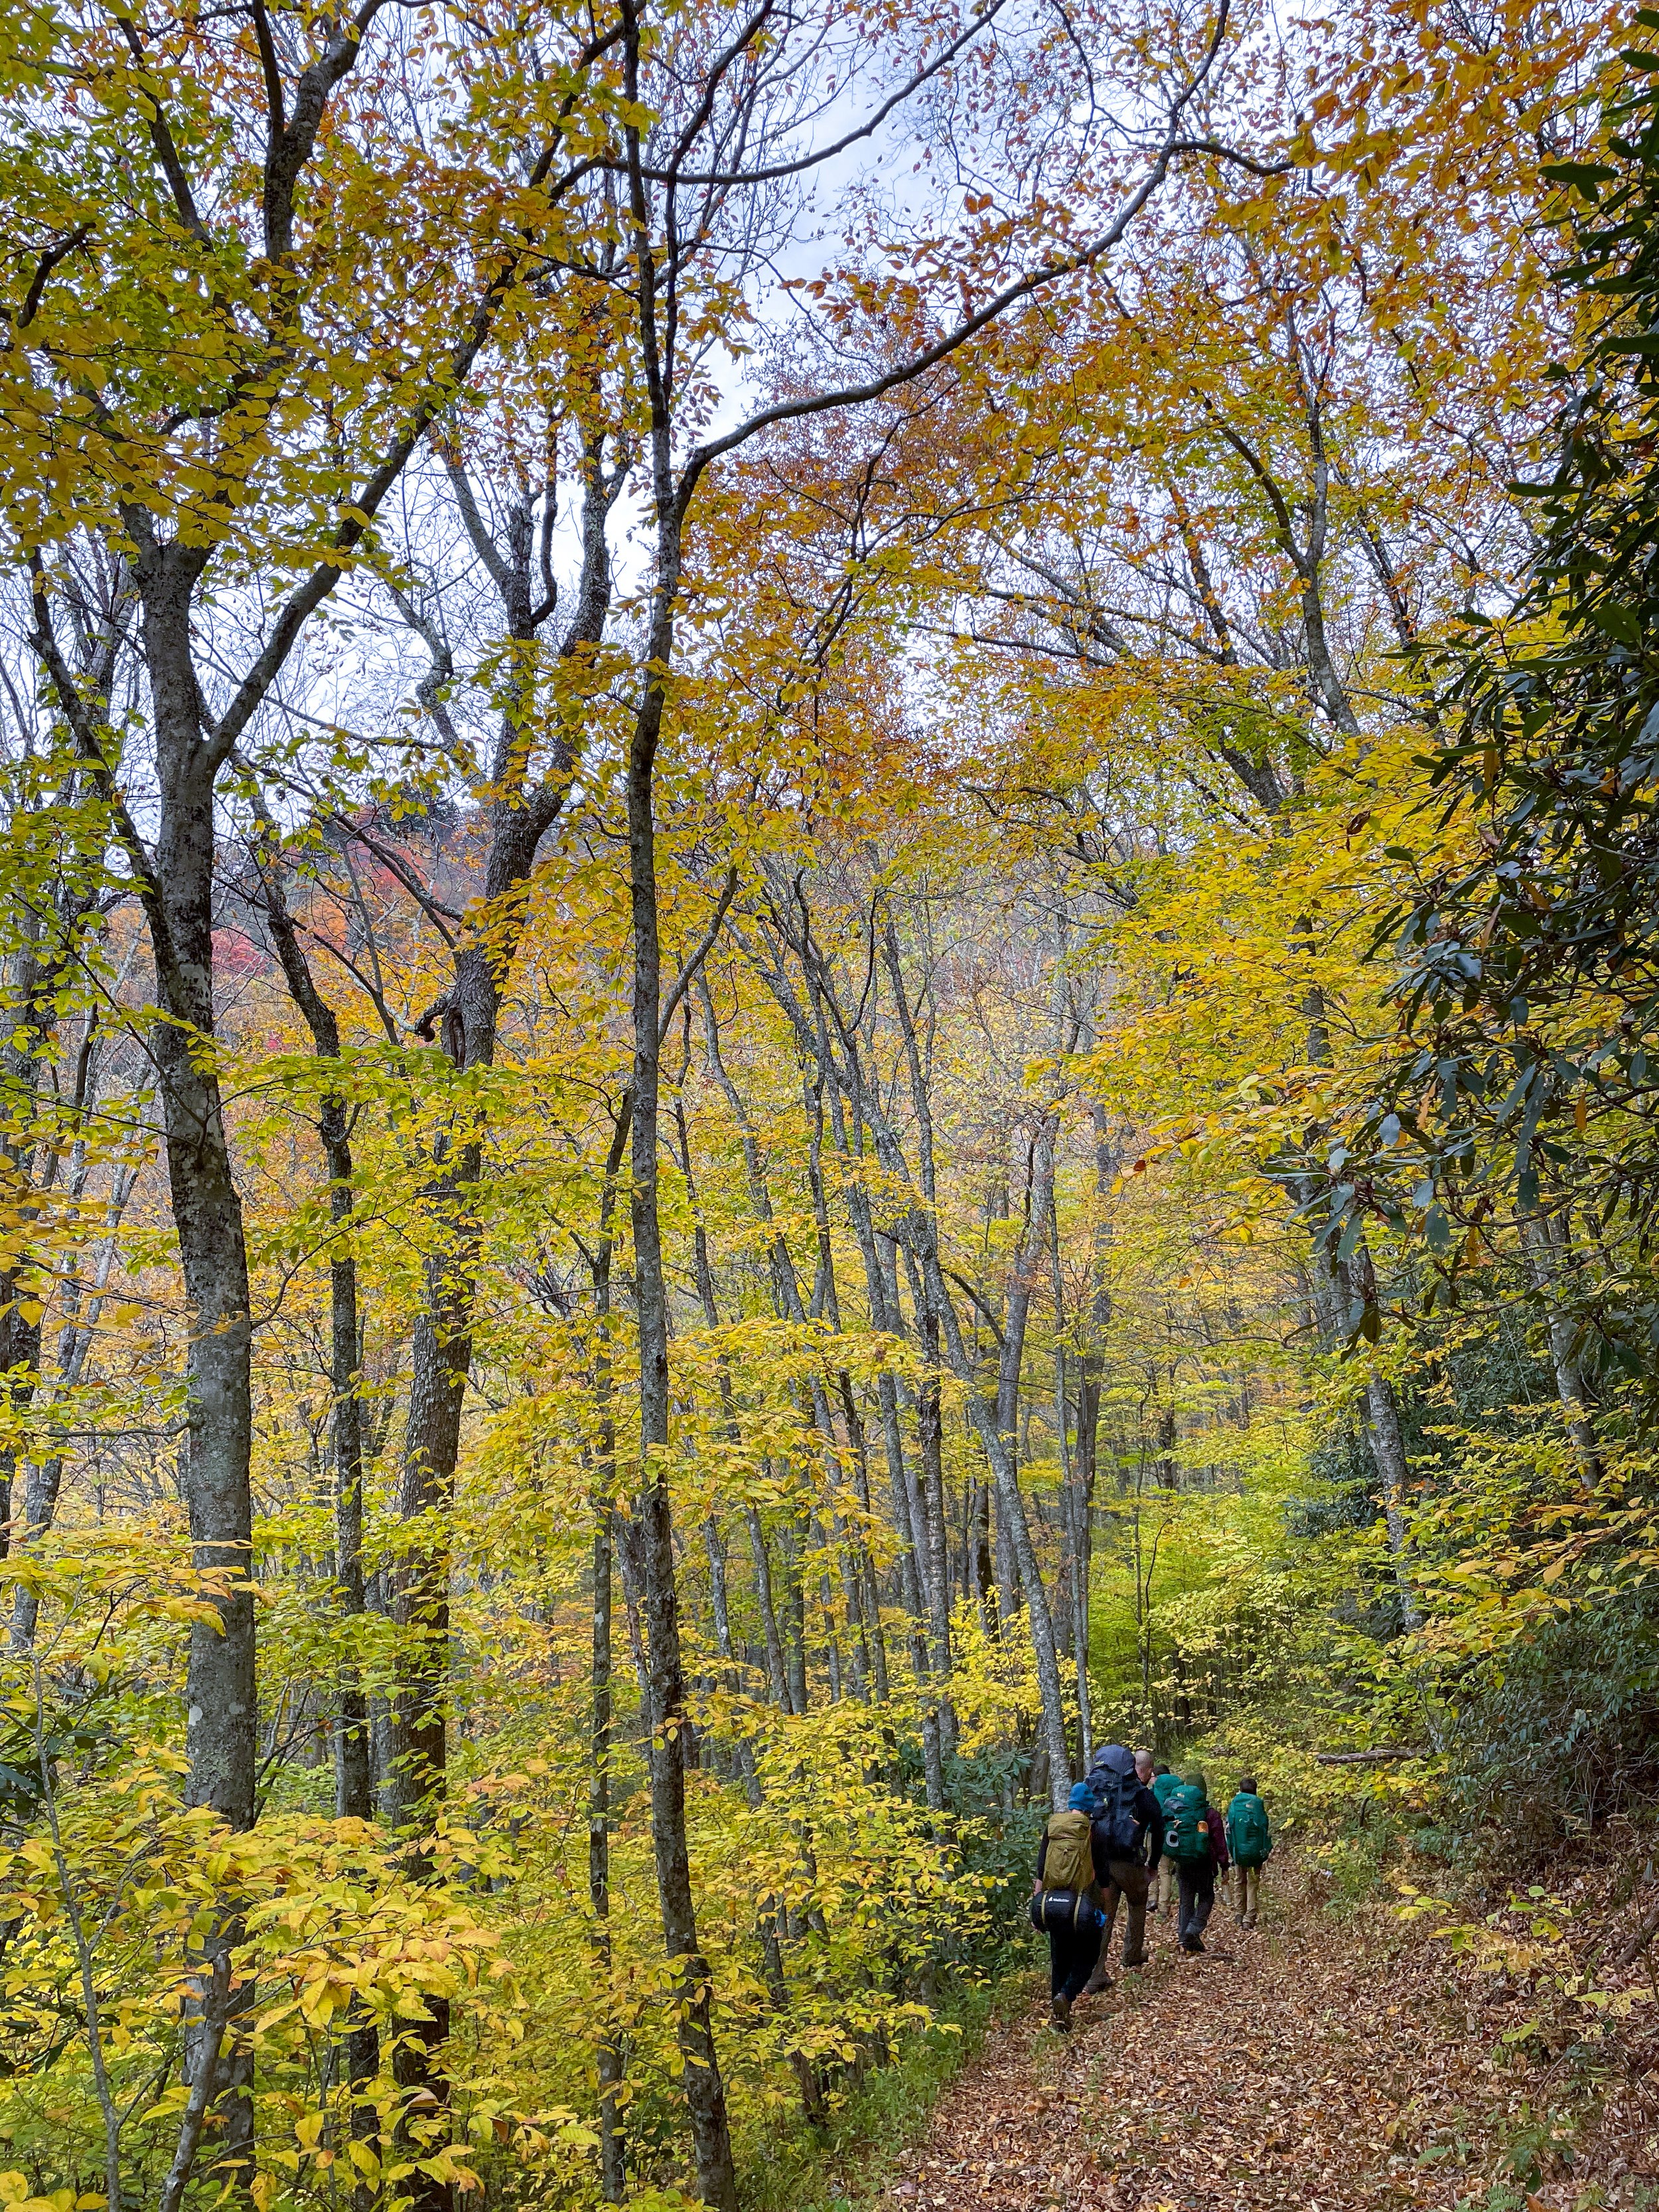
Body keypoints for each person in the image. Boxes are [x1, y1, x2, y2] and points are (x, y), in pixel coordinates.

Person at [1078, 1743, 1165, 1992]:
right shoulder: (1141, 1794)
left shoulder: (1101, 1791)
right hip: (1131, 1863)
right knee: (1138, 1904)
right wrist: (1153, 1865)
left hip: (1102, 1864)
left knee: (1104, 1917)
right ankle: (1131, 1954)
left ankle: (1095, 1974)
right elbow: (1159, 1828)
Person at [1031, 1781, 1105, 2031]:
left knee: (1059, 1958)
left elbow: (1041, 1869)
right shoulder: (1091, 1831)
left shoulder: (1053, 1827)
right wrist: (1102, 1906)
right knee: (1088, 1955)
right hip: (1082, 1904)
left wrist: (1037, 1906)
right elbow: (1101, 1874)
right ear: (1089, 1808)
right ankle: (1067, 1994)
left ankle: (1060, 2020)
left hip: (1052, 1903)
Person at [1163, 1766, 1228, 1953]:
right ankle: (1194, 1928)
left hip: (1182, 1862)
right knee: (1207, 1896)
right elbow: (1219, 1842)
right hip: (1204, 1862)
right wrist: (1224, 1865)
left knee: (1186, 1900)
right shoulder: (1211, 1814)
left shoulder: (1178, 1809)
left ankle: (1185, 1939)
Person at [1226, 1774, 1273, 1929]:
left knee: (1240, 1881)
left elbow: (1229, 1828)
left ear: (1240, 1790)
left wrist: (1232, 1851)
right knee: (1253, 1883)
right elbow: (1264, 1827)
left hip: (1239, 1851)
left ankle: (1239, 1914)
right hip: (1255, 1853)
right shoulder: (1258, 1805)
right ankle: (1249, 1918)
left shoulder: (1234, 1804)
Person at [1149, 1759, 1181, 1919]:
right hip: (1172, 1831)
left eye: (1153, 1776)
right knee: (1166, 1871)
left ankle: (1152, 1899)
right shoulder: (1178, 1788)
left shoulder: (1156, 1789)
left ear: (1158, 1776)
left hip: (1155, 1831)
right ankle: (1164, 1907)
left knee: (1152, 1864)